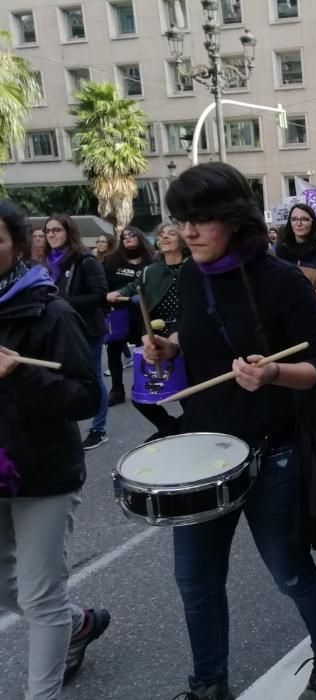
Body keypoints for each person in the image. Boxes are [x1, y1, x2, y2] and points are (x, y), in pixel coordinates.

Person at [142, 162, 316, 700]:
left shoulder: (280, 279)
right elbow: (205, 343)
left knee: (289, 571)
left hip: (272, 454)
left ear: (234, 220)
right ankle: (209, 685)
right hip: (203, 453)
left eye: (203, 218)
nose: (188, 231)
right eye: (181, 219)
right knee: (195, 582)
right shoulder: (190, 275)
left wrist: (275, 372)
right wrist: (170, 349)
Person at [0, 200, 110, 700]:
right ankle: (79, 623)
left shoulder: (50, 309)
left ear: (18, 245)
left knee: (40, 597)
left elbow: (86, 395)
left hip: (42, 471)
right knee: (8, 590)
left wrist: (21, 374)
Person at [107, 221, 188, 441]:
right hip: (156, 333)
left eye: (172, 233)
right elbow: (134, 287)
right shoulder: (150, 271)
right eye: (161, 234)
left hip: (187, 332)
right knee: (143, 396)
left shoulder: (193, 268)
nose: (165, 237)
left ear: (183, 239)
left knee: (187, 393)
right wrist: (118, 293)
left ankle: (187, 428)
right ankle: (171, 427)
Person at [43, 214, 110, 450]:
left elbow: (100, 295)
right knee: (60, 378)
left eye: (57, 230)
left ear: (69, 232)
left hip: (87, 329)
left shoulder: (85, 260)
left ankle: (98, 429)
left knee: (92, 378)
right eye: (48, 230)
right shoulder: (44, 261)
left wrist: (62, 302)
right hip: (58, 331)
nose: (51, 234)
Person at [103, 226, 155, 406]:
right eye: (124, 236)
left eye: (132, 235)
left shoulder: (152, 260)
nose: (128, 238)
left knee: (145, 349)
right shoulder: (112, 261)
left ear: (140, 237)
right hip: (118, 313)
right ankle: (117, 390)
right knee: (113, 349)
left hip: (143, 314)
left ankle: (141, 386)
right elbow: (104, 286)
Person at [275, 203, 316, 299]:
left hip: (313, 309)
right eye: (294, 219)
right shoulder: (279, 251)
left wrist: (312, 296)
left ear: (313, 222)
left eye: (304, 219)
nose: (298, 224)